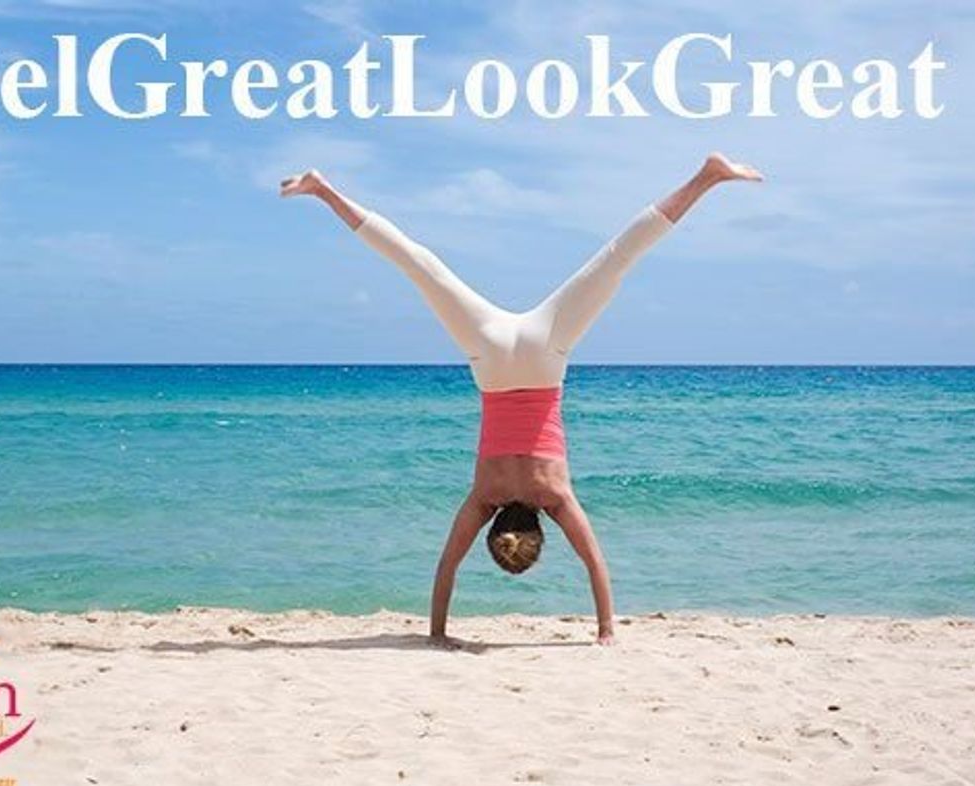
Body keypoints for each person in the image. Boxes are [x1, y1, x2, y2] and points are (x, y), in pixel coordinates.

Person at [281, 153, 763, 646]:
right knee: (418, 264)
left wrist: (606, 631)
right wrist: (437, 634)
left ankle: (707, 178)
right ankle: (324, 190)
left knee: (617, 259)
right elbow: (447, 567)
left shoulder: (554, 497)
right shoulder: (483, 496)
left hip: (544, 356)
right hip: (489, 357)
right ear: (494, 531)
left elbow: (594, 562)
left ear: (540, 531)